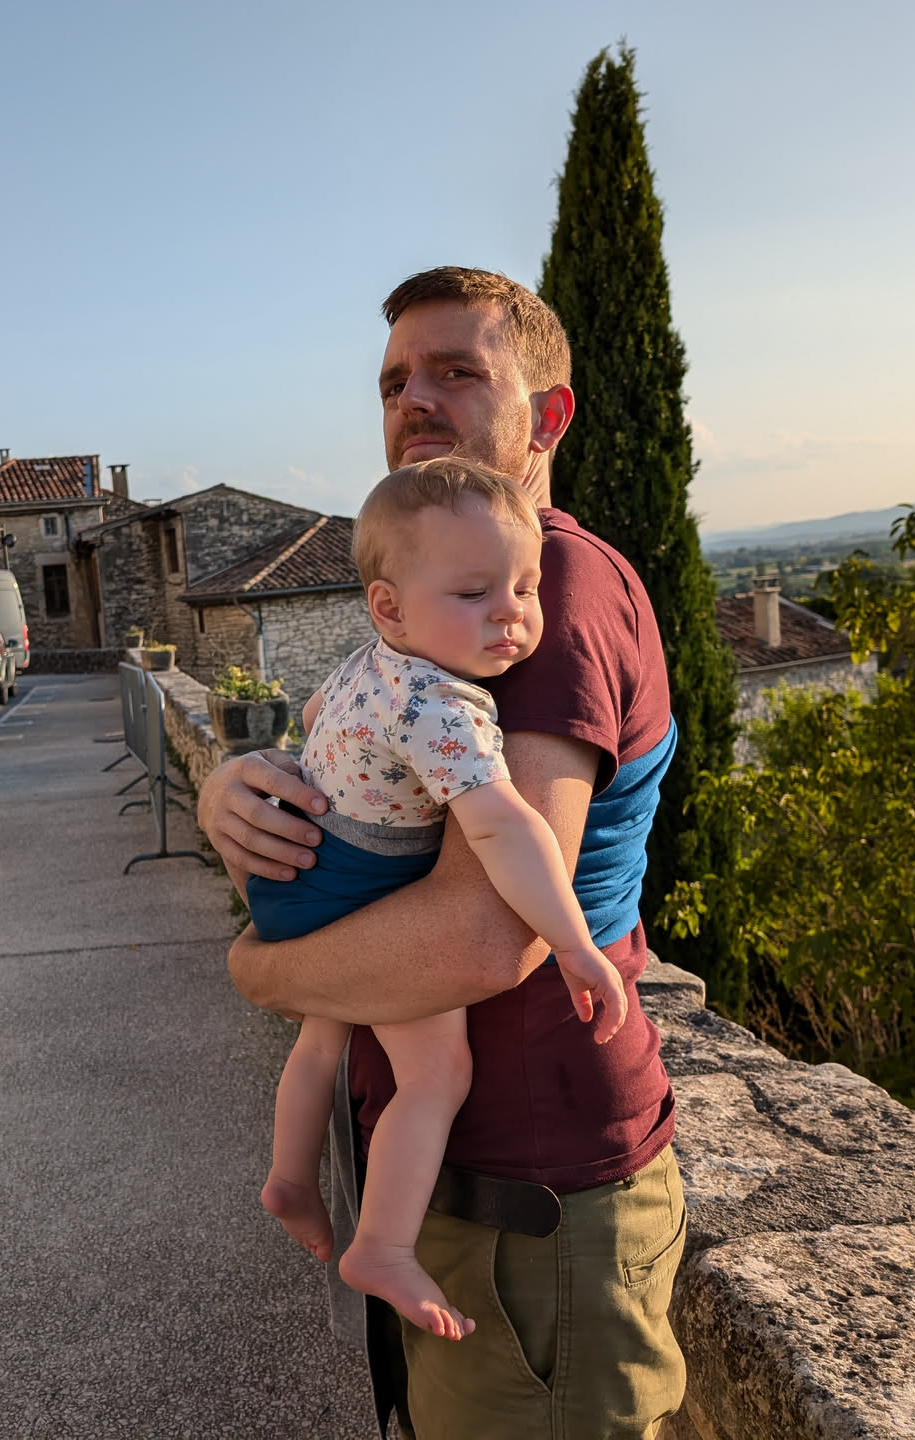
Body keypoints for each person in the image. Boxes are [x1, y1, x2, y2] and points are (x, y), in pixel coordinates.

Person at [198, 266, 687, 1440]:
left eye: (457, 372)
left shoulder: (537, 594)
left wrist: (258, 971)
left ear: (545, 415)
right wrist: (230, 791)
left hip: (532, 1192)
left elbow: (483, 937)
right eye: (392, 383)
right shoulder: (443, 593)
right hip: (469, 1190)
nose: (413, 399)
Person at [251, 457, 629, 1346]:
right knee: (436, 1074)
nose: (510, 612)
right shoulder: (444, 705)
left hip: (299, 882)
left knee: (323, 1036)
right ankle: (381, 1246)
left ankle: (289, 1180)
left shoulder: (373, 662)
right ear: (388, 606)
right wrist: (573, 943)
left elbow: (313, 713)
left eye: (526, 587)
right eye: (472, 592)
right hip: (357, 892)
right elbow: (503, 829)